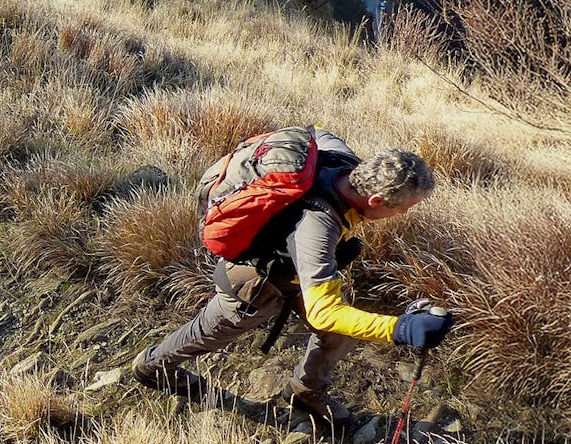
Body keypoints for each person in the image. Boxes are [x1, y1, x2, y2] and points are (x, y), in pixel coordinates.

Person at [130, 133, 454, 428]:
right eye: (404, 208)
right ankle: (153, 366)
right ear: (376, 200)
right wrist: (401, 329)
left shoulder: (342, 159)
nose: (403, 214)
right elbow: (323, 312)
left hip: (296, 274)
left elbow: (318, 133)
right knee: (207, 333)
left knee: (340, 334)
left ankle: (306, 391)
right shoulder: (319, 225)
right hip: (253, 286)